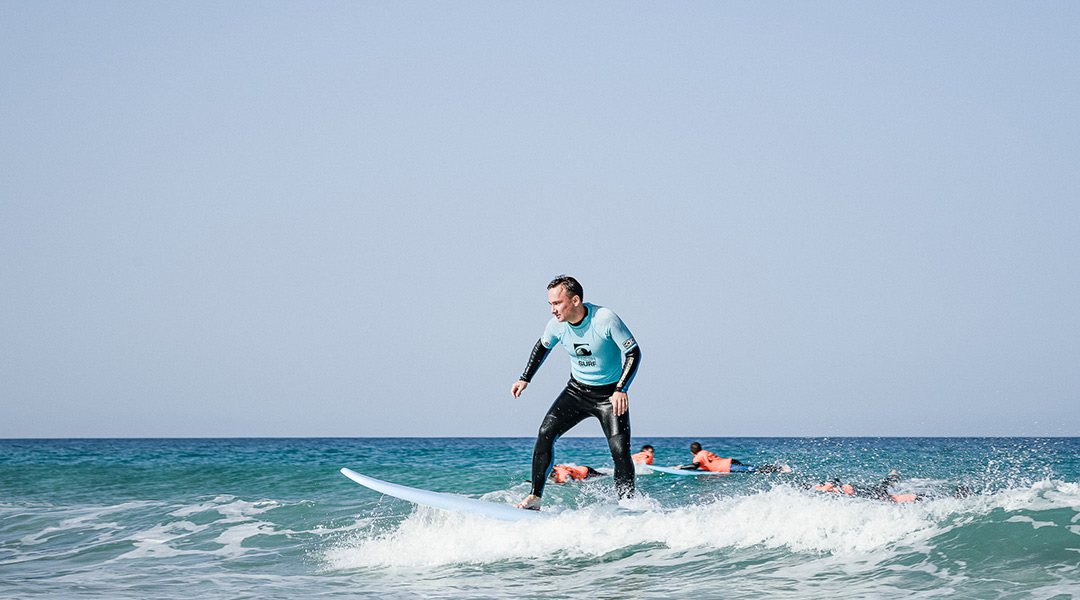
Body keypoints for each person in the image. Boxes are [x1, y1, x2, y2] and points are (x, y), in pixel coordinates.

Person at [510, 275, 642, 510]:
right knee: (545, 433)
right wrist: (525, 378)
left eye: (557, 303)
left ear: (575, 300)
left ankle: (628, 505)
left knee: (620, 451)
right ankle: (535, 497)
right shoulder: (556, 326)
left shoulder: (605, 319)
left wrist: (622, 389)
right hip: (577, 391)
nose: (553, 310)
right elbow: (542, 347)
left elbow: (633, 353)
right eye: (550, 304)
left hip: (610, 396)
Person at [674, 442, 791, 474]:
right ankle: (779, 468)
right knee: (752, 468)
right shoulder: (705, 452)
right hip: (730, 461)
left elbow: (694, 466)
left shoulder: (697, 457)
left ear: (692, 452)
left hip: (729, 467)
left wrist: (680, 467)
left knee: (754, 469)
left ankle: (781, 469)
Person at [810, 470, 921, 503]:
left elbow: (835, 480)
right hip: (860, 493)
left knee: (882, 494)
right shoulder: (817, 491)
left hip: (858, 492)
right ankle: (921, 497)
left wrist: (826, 486)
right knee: (890, 497)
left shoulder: (820, 487)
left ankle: (891, 476)